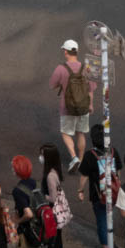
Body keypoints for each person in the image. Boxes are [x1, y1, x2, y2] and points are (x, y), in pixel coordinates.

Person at [50, 40, 93, 169]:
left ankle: (74, 157)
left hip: (67, 107)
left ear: (65, 52)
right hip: (84, 106)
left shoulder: (61, 68)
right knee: (81, 133)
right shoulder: (86, 68)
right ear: (77, 51)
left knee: (65, 132)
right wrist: (90, 105)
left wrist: (62, 84)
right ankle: (81, 159)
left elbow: (52, 85)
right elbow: (91, 88)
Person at [11, 154, 62, 248]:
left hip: (30, 232)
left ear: (16, 171)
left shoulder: (18, 190)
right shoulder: (37, 183)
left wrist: (18, 220)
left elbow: (28, 214)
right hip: (42, 229)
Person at [78, 126, 118, 248]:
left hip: (98, 195)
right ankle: (111, 241)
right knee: (110, 217)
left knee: (102, 221)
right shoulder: (113, 152)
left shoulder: (90, 155)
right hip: (113, 192)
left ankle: (107, 247)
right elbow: (118, 171)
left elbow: (84, 176)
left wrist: (80, 190)